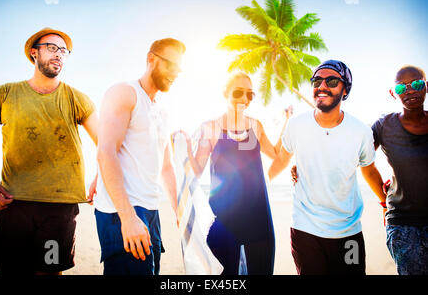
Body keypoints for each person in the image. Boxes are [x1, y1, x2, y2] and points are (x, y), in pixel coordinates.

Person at [0, 28, 98, 275]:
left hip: (60, 209)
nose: (59, 55)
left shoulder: (77, 99)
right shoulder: (6, 93)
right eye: (52, 48)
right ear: (34, 53)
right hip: (13, 206)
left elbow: (107, 143)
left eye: (64, 51)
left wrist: (99, 177)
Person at [269, 60, 387, 275]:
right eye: (317, 81)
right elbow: (281, 160)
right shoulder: (296, 125)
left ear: (345, 90)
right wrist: (259, 184)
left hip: (348, 233)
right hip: (306, 230)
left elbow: (368, 170)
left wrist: (386, 203)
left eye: (332, 81)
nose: (322, 86)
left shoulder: (360, 131)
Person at [179, 73, 291, 275]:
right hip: (224, 218)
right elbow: (197, 171)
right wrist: (187, 149)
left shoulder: (256, 126)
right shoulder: (211, 128)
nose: (244, 99)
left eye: (250, 95)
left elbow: (275, 153)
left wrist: (287, 123)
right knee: (225, 276)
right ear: (225, 93)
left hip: (259, 216)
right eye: (238, 92)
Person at [92, 38, 185, 275]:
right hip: (122, 212)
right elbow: (106, 150)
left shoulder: (162, 111)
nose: (175, 73)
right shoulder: (124, 93)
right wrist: (128, 217)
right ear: (151, 59)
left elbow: (166, 166)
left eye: (179, 68)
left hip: (151, 209)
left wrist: (177, 208)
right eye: (171, 65)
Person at [372, 65, 428, 275]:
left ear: (426, 87)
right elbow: (357, 156)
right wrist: (381, 197)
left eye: (416, 84)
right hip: (403, 225)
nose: (410, 91)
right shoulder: (384, 126)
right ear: (392, 93)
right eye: (401, 88)